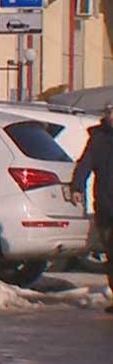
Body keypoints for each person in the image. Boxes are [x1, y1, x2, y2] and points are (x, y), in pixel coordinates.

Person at [72, 103, 113, 314]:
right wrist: (77, 186)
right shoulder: (98, 139)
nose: (112, 116)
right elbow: (84, 164)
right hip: (106, 208)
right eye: (109, 112)